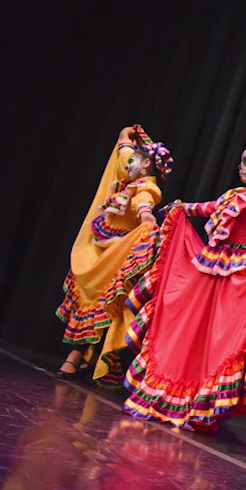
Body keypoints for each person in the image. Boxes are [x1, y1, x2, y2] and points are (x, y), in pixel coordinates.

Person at [123, 141, 246, 434]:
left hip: (240, 276)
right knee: (191, 331)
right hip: (209, 269)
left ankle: (201, 404)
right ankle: (173, 396)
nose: (241, 167)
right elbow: (207, 208)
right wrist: (181, 208)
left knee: (222, 337)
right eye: (242, 161)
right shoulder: (235, 194)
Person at [55, 124, 172, 385]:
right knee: (88, 295)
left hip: (119, 255)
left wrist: (147, 217)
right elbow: (124, 152)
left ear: (145, 168)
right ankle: (86, 356)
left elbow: (144, 205)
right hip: (101, 248)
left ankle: (75, 357)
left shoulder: (146, 188)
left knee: (103, 302)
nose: (127, 165)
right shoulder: (129, 176)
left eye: (134, 163)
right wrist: (127, 135)